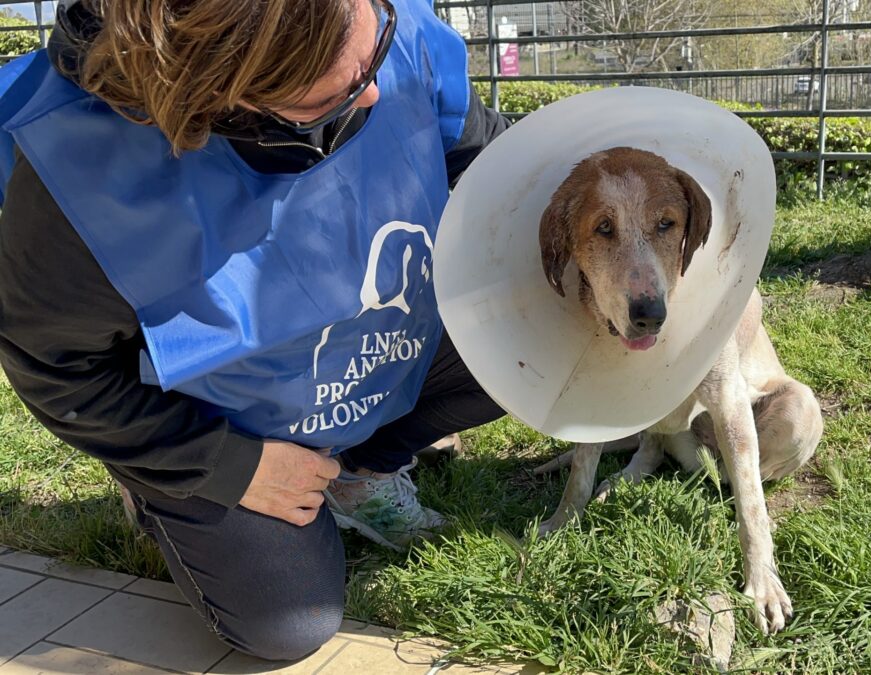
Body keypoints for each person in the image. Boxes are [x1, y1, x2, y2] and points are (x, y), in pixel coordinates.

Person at [0, 0, 508, 661]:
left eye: (376, 46)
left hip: (364, 342)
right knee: (289, 621)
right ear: (228, 90)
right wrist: (228, 466)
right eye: (334, 91)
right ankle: (154, 486)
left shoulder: (391, 36)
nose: (375, 91)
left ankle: (359, 470)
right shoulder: (85, 166)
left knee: (535, 349)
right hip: (226, 414)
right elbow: (58, 368)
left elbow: (488, 163)